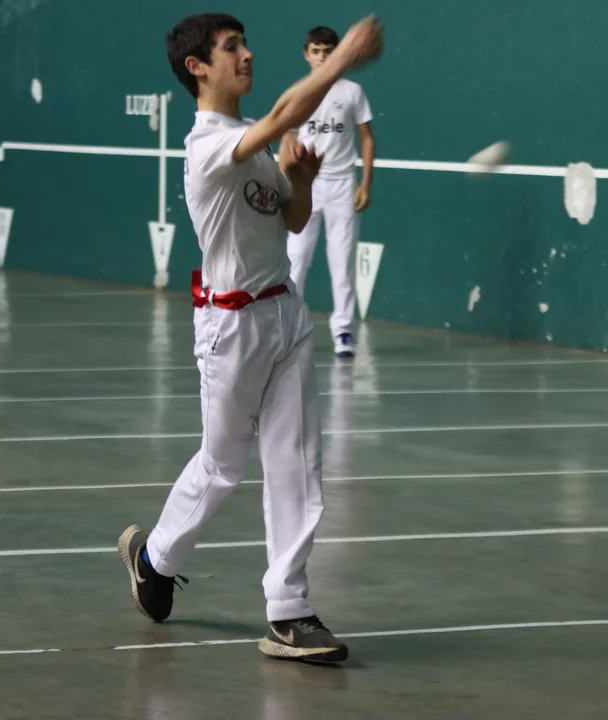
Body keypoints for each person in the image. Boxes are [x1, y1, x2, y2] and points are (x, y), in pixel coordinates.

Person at [118, 13, 382, 664]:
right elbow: (289, 112)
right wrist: (341, 59)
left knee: (296, 462)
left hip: (285, 314)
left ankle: (289, 611)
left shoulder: (255, 143)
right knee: (223, 465)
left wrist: (302, 181)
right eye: (231, 48)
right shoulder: (208, 144)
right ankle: (154, 558)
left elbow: (290, 219)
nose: (248, 55)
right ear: (197, 68)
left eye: (245, 44)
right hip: (230, 326)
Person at [281, 25, 376, 359]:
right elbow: (288, 137)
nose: (322, 58)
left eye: (328, 51)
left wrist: (365, 183)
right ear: (306, 55)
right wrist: (286, 183)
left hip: (342, 186)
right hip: (306, 186)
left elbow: (367, 138)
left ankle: (344, 331)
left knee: (342, 259)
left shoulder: (352, 92)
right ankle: (289, 329)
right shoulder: (300, 92)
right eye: (316, 52)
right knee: (296, 258)